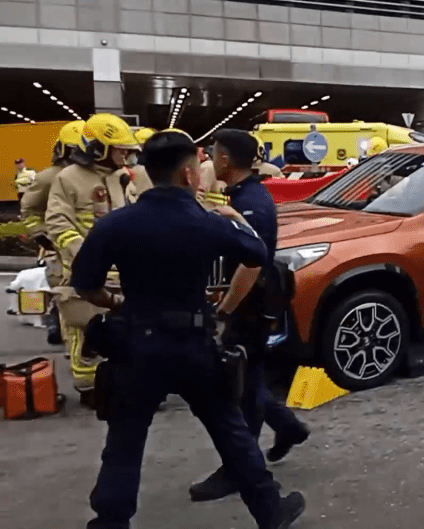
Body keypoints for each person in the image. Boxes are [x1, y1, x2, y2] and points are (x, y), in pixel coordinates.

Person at [70, 130, 305, 529]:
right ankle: (269, 509)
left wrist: (117, 303)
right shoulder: (206, 223)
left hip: (136, 343)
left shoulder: (116, 225)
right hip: (194, 345)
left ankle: (109, 522)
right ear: (187, 174)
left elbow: (86, 284)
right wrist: (235, 220)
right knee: (230, 432)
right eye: (198, 167)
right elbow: (257, 254)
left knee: (124, 441)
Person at [189, 129, 310, 502]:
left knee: (237, 389)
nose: (208, 160)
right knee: (248, 378)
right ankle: (287, 426)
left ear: (225, 160)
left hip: (250, 307)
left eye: (212, 153)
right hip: (249, 305)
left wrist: (225, 310)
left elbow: (251, 264)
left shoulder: (253, 202)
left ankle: (238, 470)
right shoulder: (240, 197)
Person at [45, 114, 140, 407]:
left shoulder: (121, 177)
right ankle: (89, 389)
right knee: (82, 330)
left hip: (119, 271)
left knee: (123, 327)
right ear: (98, 147)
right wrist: (85, 256)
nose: (125, 154)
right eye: (119, 148)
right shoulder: (68, 178)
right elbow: (58, 223)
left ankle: (124, 384)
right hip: (80, 271)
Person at [21, 121, 88, 346]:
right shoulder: (49, 177)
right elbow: (29, 209)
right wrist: (41, 235)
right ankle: (69, 338)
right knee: (67, 292)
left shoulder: (98, 175)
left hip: (88, 242)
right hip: (59, 245)